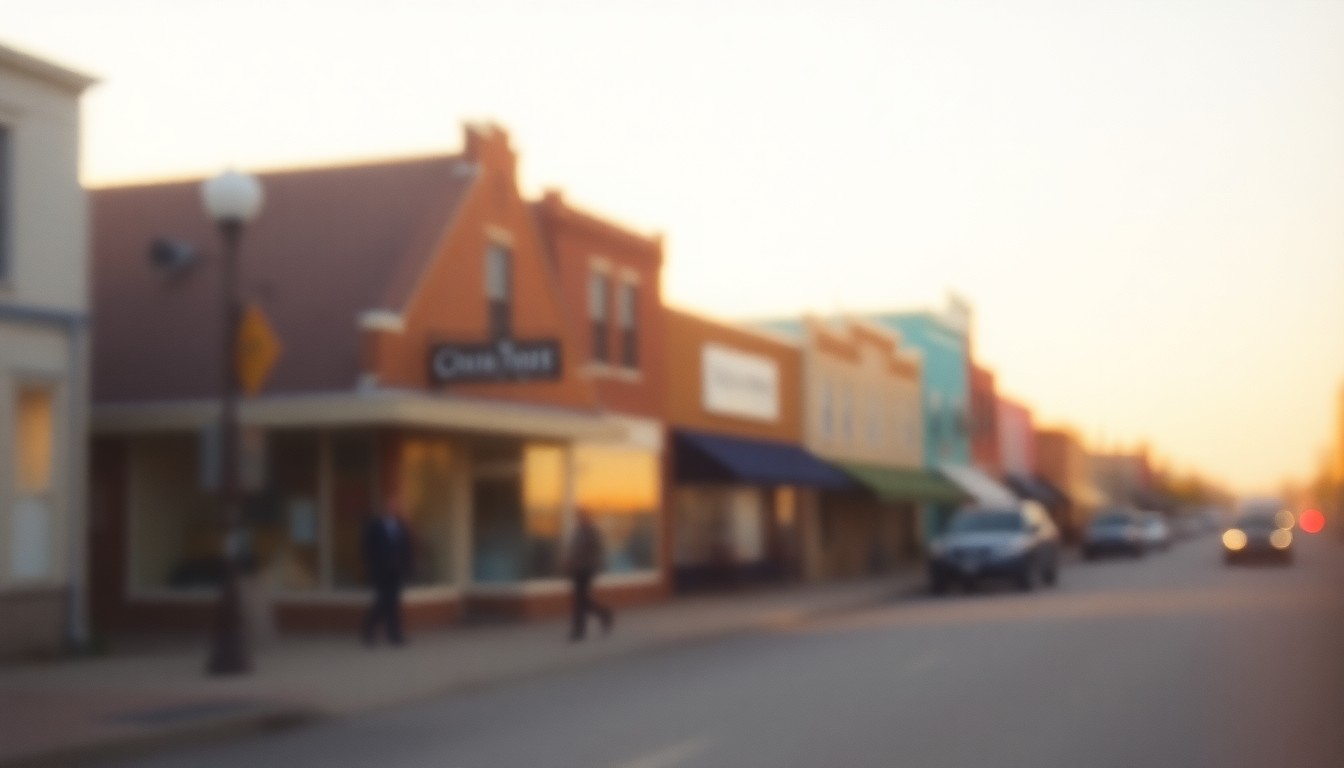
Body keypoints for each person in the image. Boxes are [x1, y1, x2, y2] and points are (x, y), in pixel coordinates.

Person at [362, 500, 413, 647]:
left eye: (394, 507)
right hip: (381, 570)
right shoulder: (374, 526)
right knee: (382, 601)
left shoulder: (400, 526)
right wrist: (372, 565)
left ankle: (394, 635)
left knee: (394, 603)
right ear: (383, 510)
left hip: (397, 571)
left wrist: (406, 567)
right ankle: (368, 630)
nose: (391, 510)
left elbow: (407, 547)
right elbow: (367, 547)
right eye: (389, 507)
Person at [566, 510, 613, 642]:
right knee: (581, 600)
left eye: (581, 516)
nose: (579, 519)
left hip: (587, 569)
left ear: (587, 517)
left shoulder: (592, 532)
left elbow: (599, 549)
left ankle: (579, 631)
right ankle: (604, 614)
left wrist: (592, 559)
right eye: (578, 517)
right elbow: (573, 550)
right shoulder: (577, 531)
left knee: (580, 601)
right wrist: (569, 563)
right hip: (577, 569)